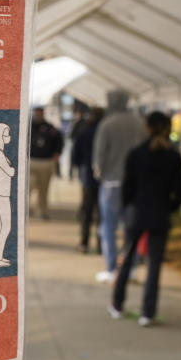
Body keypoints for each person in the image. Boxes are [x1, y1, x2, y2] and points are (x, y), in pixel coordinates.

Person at [107, 111, 181, 326]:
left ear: (148, 127)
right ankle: (147, 312)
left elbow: (127, 188)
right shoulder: (174, 156)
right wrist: (169, 207)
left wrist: (127, 210)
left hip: (137, 213)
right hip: (160, 214)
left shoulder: (136, 154)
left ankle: (117, 303)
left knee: (127, 258)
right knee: (154, 265)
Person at [93, 90, 146, 282]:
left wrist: (99, 174)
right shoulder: (139, 123)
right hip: (135, 184)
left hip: (111, 183)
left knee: (109, 226)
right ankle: (131, 267)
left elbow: (99, 158)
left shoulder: (107, 124)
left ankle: (111, 268)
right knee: (131, 227)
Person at [72, 107, 104, 253]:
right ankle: (100, 244)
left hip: (87, 176)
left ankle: (84, 243)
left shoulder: (84, 132)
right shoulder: (105, 132)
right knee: (101, 213)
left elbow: (75, 156)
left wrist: (79, 167)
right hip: (104, 177)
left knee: (87, 211)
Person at [28, 106, 63, 219]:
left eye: (40, 113)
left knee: (43, 189)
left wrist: (57, 154)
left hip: (46, 162)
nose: (38, 115)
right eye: (36, 113)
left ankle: (42, 211)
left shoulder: (50, 128)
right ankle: (25, 209)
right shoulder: (28, 128)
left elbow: (59, 142)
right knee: (28, 186)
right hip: (31, 162)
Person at [0, 123, 15, 267]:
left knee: (0, 227)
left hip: (1, 193)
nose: (8, 137)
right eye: (6, 134)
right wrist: (12, 168)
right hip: (2, 194)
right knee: (6, 226)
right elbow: (10, 172)